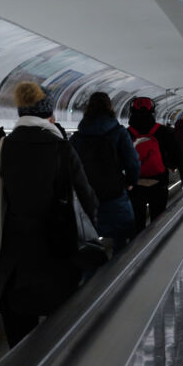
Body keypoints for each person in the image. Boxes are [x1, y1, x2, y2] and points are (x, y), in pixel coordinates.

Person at [0, 81, 97, 347]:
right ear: (50, 116)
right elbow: (86, 199)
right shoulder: (61, 147)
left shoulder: (3, 147)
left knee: (19, 338)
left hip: (15, 260)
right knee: (61, 335)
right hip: (57, 251)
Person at [70, 92, 139, 250]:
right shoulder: (120, 132)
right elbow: (133, 162)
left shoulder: (77, 137)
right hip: (115, 193)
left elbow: (70, 167)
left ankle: (92, 274)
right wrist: (131, 182)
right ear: (110, 108)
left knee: (87, 243)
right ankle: (122, 272)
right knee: (123, 239)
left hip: (87, 196)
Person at [126, 97, 182, 231]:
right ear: (153, 111)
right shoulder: (163, 131)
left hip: (134, 183)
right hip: (159, 180)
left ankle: (136, 249)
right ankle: (156, 247)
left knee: (137, 220)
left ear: (131, 111)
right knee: (158, 218)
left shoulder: (126, 133)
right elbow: (176, 154)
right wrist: (171, 165)